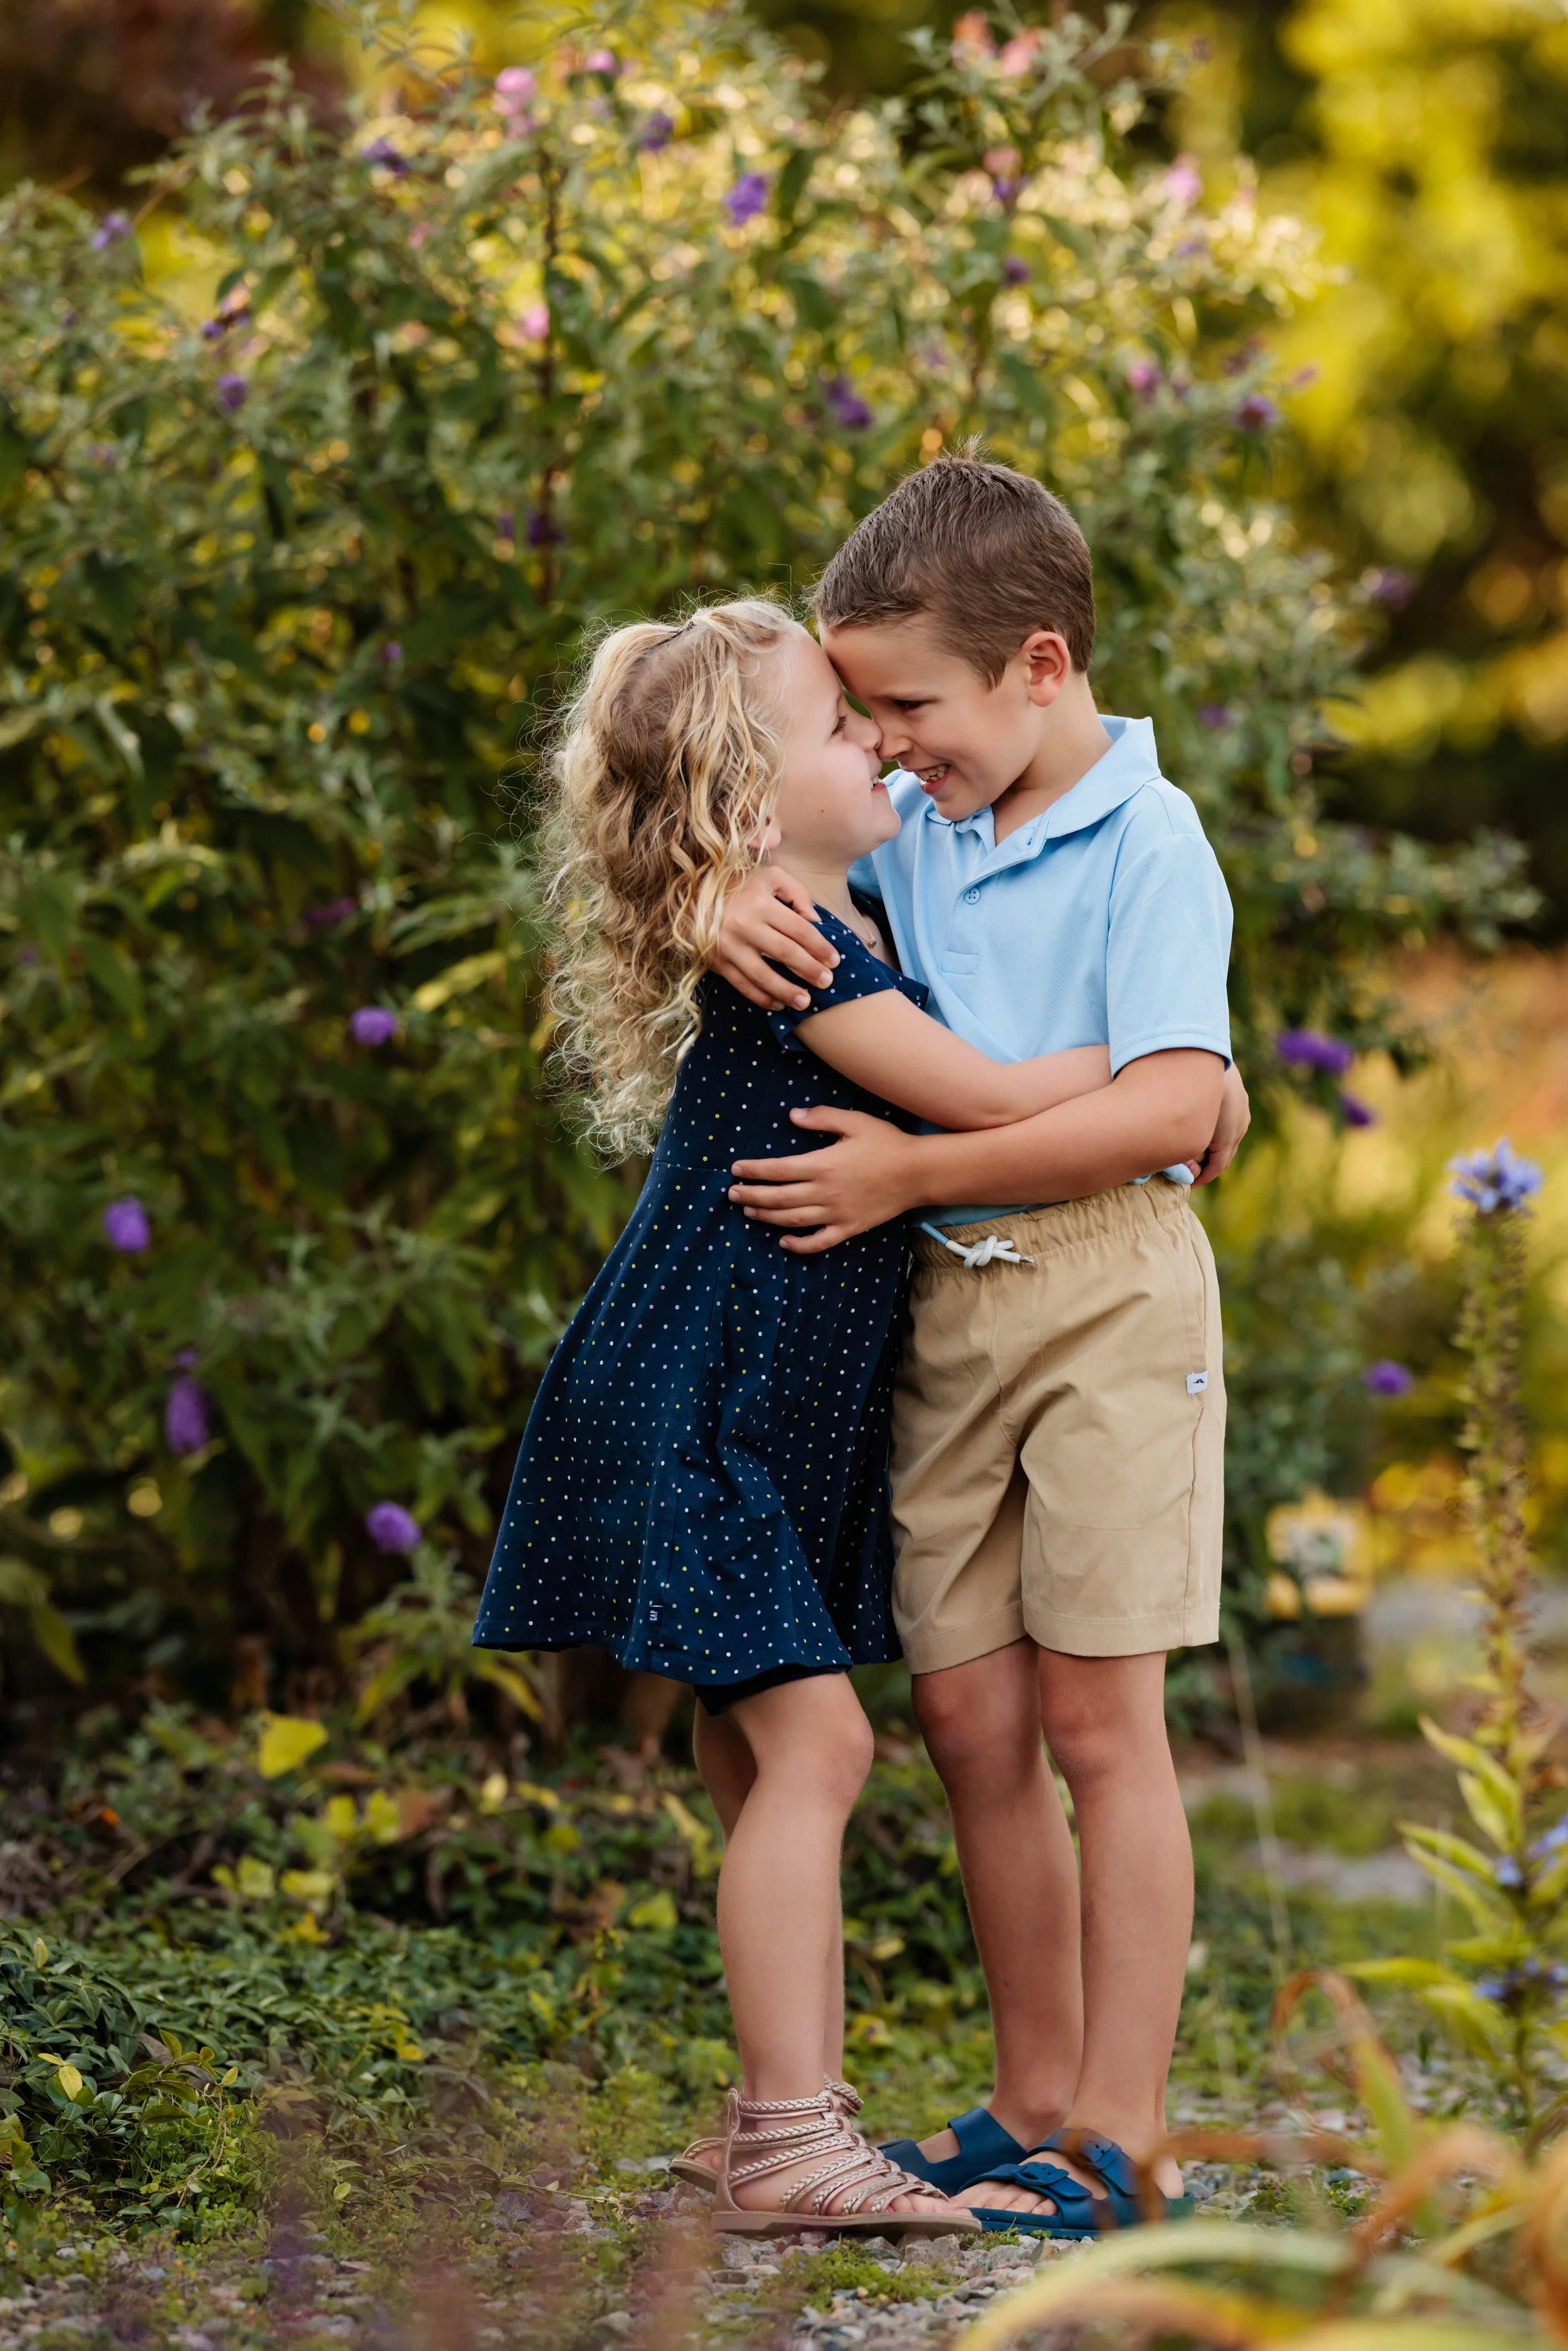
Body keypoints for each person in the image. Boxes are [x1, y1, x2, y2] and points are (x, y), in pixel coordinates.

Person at [472, 595, 1129, 2240]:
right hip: (705, 1390)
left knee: (758, 1740)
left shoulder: (820, 907)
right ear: (749, 807)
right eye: (846, 731)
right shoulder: (806, 943)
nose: (882, 744)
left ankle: (774, 2103)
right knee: (819, 1741)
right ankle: (786, 2135)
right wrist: (1165, 1065)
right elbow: (976, 1098)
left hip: (727, 1396)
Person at [713, 455, 1248, 2234]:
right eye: (859, 710)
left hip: (1105, 1290)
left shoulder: (1146, 837)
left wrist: (922, 1166)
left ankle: (1120, 2122)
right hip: (954, 1299)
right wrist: (708, 893)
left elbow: (1168, 1100)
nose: (883, 743)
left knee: (1101, 1718)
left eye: (908, 705)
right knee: (964, 1708)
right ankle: (1030, 2091)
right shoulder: (926, 826)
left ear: (1035, 664)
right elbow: (760, 836)